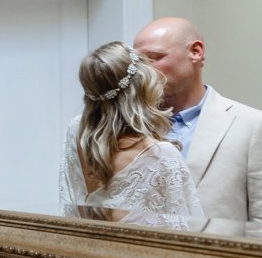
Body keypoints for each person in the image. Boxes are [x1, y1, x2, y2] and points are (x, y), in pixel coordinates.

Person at [132, 17, 262, 239]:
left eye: (154, 58)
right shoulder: (128, 126)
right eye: (138, 62)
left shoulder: (253, 125)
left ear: (195, 52)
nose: (143, 70)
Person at [59, 41, 204, 229]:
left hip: (87, 253)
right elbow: (187, 231)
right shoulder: (160, 154)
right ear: (143, 84)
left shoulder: (76, 132)